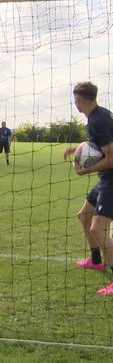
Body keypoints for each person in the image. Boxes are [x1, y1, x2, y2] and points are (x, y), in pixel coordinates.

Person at [62, 81, 113, 295]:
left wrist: (83, 171)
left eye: (75, 99)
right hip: (105, 179)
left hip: (112, 179)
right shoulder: (97, 116)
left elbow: (111, 158)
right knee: (84, 216)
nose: (75, 103)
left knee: (97, 228)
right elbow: (96, 145)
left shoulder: (98, 120)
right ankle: (96, 261)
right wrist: (76, 148)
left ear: (80, 99)